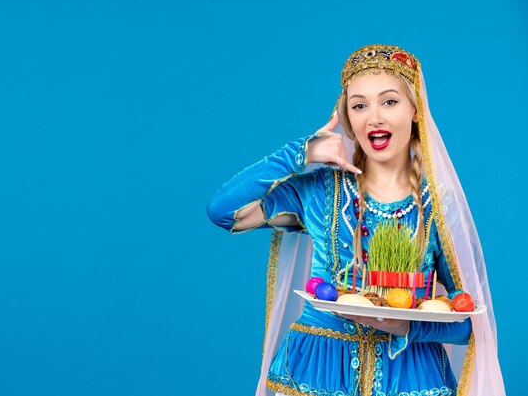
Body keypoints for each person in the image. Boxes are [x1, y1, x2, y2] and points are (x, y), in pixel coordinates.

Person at [206, 44, 505, 396]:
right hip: (319, 370)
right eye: (359, 105)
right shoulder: (319, 191)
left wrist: (406, 327)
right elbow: (224, 212)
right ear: (348, 117)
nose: (374, 117)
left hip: (411, 377)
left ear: (414, 111)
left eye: (389, 101)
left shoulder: (439, 206)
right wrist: (302, 153)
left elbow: (468, 322)